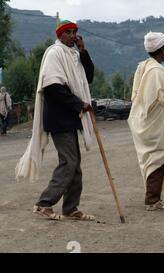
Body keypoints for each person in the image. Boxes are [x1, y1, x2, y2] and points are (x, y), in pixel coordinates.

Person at [15, 20, 96, 220]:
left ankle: (71, 208)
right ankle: (44, 203)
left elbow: (89, 77)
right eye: (67, 32)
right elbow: (52, 88)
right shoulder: (55, 53)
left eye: (74, 32)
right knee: (69, 162)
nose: (71, 35)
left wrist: (83, 52)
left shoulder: (74, 55)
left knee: (74, 164)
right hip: (59, 118)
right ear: (59, 35)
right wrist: (79, 104)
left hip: (70, 118)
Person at [128, 31, 164, 211]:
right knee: (156, 159)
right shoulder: (155, 71)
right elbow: (157, 100)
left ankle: (154, 197)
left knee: (154, 160)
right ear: (161, 51)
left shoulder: (144, 66)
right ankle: (152, 200)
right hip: (155, 126)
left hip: (149, 124)